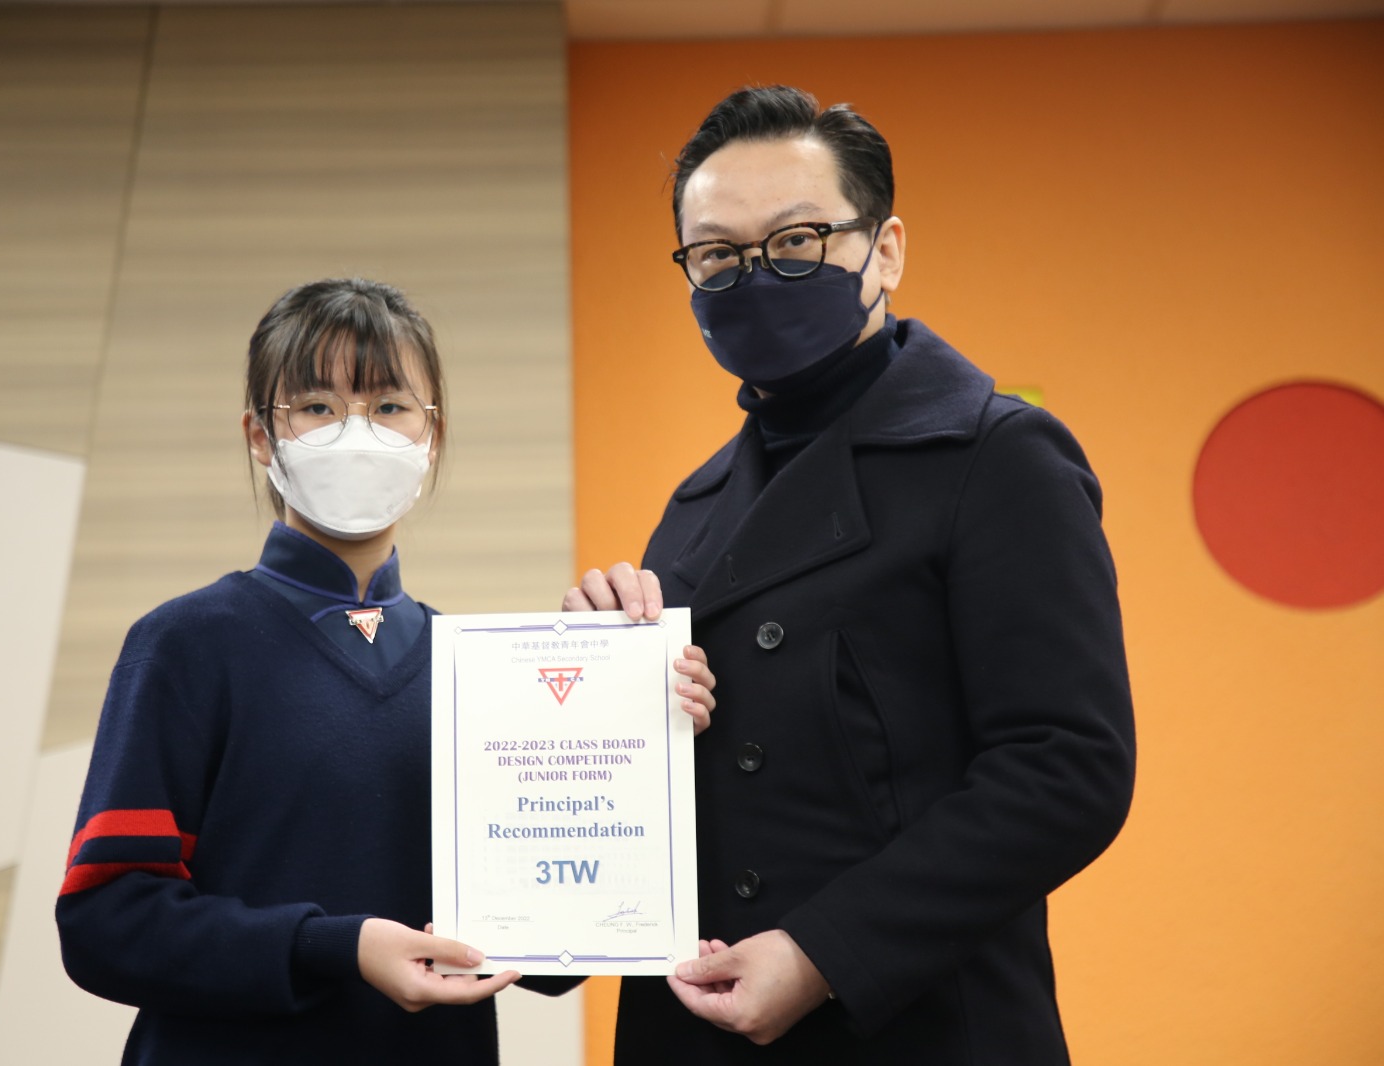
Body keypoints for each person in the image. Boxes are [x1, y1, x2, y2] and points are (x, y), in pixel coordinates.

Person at [565, 86, 1136, 1064]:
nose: (756, 276)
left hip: (913, 1025)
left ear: (887, 248)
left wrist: (823, 953)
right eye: (717, 255)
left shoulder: (997, 455)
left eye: (796, 241)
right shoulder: (696, 503)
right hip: (691, 1026)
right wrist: (596, 693)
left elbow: (1066, 765)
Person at [57, 277, 717, 1064]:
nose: (356, 432)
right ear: (261, 436)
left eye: (390, 406)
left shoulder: (482, 672)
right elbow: (106, 922)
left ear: (432, 434)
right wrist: (336, 947)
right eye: (316, 406)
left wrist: (642, 731)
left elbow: (545, 955)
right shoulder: (186, 644)